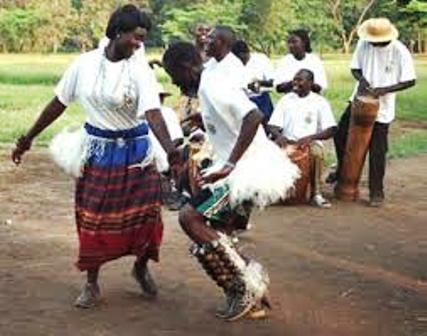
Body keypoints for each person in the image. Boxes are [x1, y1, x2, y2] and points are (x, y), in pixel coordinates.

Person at [11, 5, 182, 308]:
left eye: (143, 39)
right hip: (100, 153)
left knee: (146, 217)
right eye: (135, 37)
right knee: (93, 219)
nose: (138, 44)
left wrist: (170, 150)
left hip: (137, 153)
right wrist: (28, 137)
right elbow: (58, 102)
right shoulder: (85, 64)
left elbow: (152, 113)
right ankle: (91, 283)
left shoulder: (140, 69)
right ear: (117, 32)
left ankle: (140, 268)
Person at [162, 39, 299, 321]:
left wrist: (231, 163)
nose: (175, 84)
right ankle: (249, 288)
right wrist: (206, 118)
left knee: (190, 219)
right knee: (216, 230)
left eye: (174, 76)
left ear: (186, 67)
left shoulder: (213, 85)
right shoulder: (208, 80)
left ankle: (247, 285)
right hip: (240, 168)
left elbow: (253, 116)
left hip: (246, 170)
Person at [330, 18, 416, 207]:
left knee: (377, 150)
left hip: (382, 108)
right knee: (340, 136)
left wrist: (383, 90)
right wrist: (360, 80)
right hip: (358, 100)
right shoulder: (363, 43)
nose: (372, 42)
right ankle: (341, 171)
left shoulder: (399, 51)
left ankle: (376, 191)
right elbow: (355, 68)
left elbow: (410, 80)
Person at [269, 69, 337, 208]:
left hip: (310, 142)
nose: (295, 83)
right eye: (295, 79)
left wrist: (310, 138)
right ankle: (273, 193)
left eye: (300, 80)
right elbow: (272, 125)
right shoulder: (285, 99)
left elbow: (332, 129)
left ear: (310, 83)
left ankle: (316, 194)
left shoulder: (320, 102)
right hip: (287, 141)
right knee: (268, 151)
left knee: (316, 153)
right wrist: (279, 136)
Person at [150, 84, 185, 210]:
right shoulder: (168, 112)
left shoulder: (142, 114)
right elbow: (178, 138)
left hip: (151, 158)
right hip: (168, 155)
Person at [231, 39, 275, 124]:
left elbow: (272, 82)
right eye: (238, 59)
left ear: (248, 52)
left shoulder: (261, 59)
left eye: (244, 58)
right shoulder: (232, 64)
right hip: (242, 101)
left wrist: (260, 83)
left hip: (262, 99)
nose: (242, 62)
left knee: (266, 126)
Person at [274, 29, 328, 94]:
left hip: (312, 99)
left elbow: (320, 87)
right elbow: (278, 88)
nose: (290, 45)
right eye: (289, 42)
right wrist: (292, 83)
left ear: (304, 43)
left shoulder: (314, 61)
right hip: (290, 99)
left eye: (294, 42)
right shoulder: (284, 61)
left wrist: (304, 83)